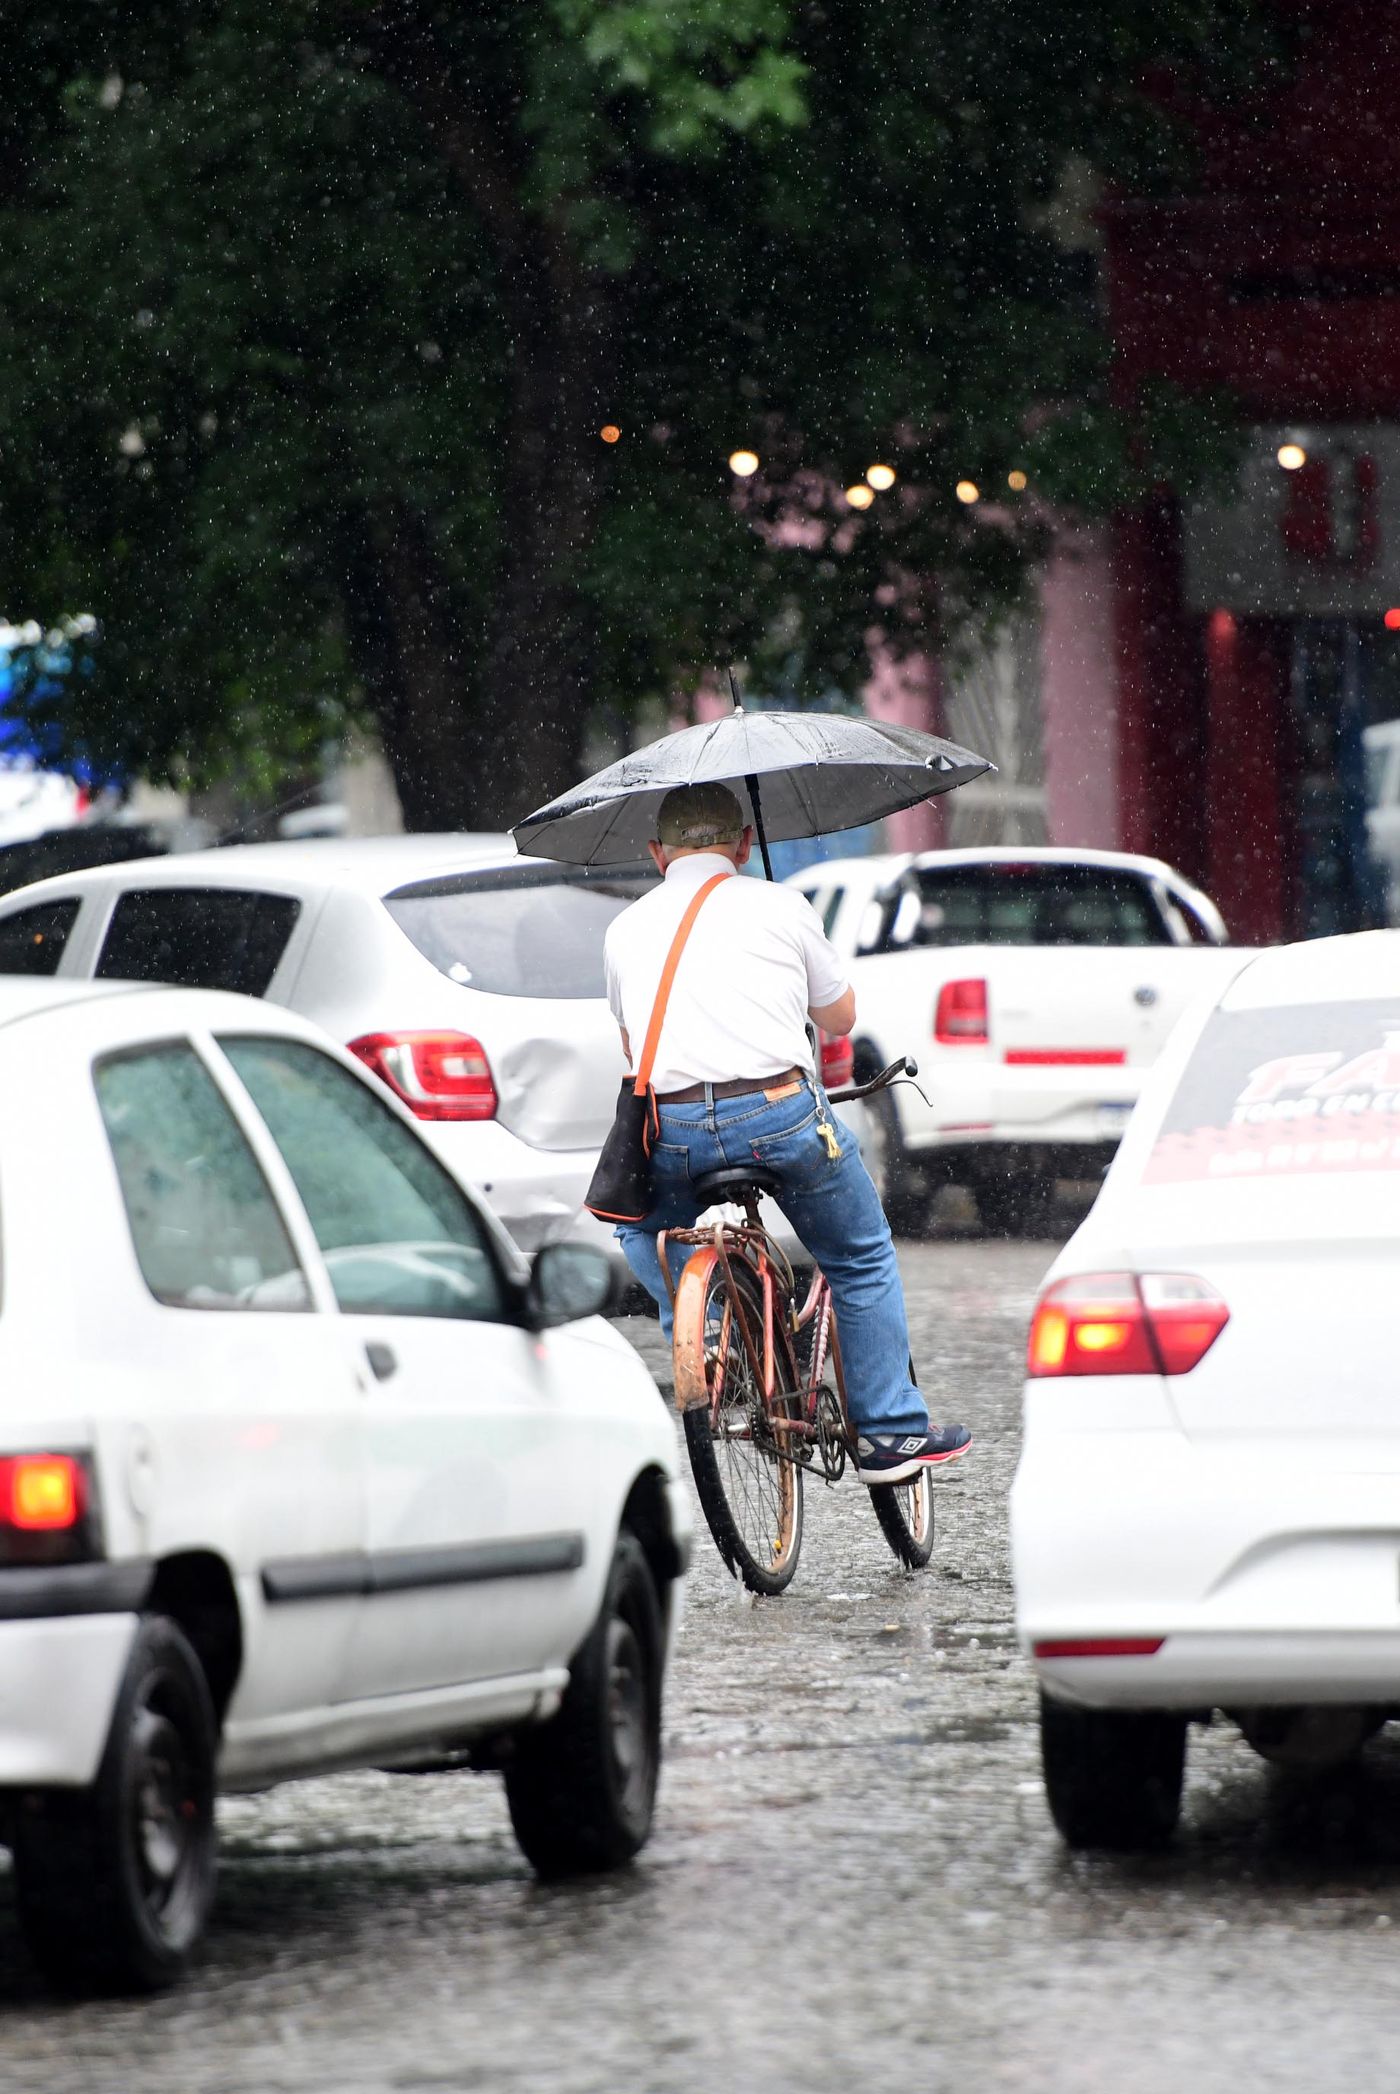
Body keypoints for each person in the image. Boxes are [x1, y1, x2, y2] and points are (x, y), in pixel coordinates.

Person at [603, 780, 972, 1484]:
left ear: (658, 854)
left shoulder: (625, 929)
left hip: (673, 1130)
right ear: (743, 844)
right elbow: (838, 1021)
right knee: (859, 1252)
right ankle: (889, 1434)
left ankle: (708, 1339)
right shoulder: (782, 904)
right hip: (779, 1115)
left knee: (639, 1227)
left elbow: (631, 1049)